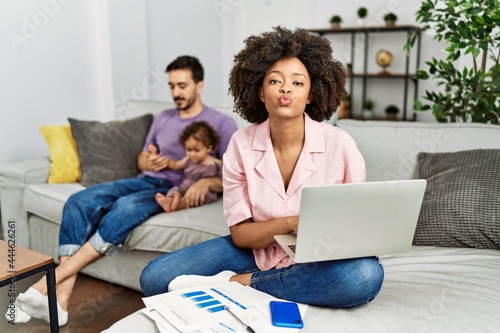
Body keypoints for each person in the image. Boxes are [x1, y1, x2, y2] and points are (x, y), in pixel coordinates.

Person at [140, 27, 384, 309]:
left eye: (298, 83)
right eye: (275, 80)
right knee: (155, 278)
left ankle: (237, 284)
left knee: (364, 276)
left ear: (310, 95)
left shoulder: (341, 145)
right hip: (256, 251)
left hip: (319, 256)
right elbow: (242, 234)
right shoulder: (241, 144)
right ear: (259, 92)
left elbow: (355, 227)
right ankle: (284, 283)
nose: (286, 88)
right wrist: (292, 223)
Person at [7, 55, 237, 326]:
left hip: (173, 187)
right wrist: (149, 160)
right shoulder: (163, 117)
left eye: (182, 85)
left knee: (125, 208)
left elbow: (233, 174)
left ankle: (49, 283)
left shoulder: (222, 123)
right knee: (78, 201)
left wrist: (206, 182)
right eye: (172, 86)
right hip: (143, 179)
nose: (176, 92)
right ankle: (61, 301)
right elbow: (140, 159)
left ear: (199, 85)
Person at [155, 121, 222, 212]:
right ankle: (169, 201)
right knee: (174, 190)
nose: (192, 154)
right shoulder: (187, 160)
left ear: (209, 148)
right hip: (184, 187)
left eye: (196, 150)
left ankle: (179, 204)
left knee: (199, 196)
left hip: (201, 191)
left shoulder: (215, 163)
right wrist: (165, 161)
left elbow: (226, 180)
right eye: (189, 150)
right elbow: (175, 165)